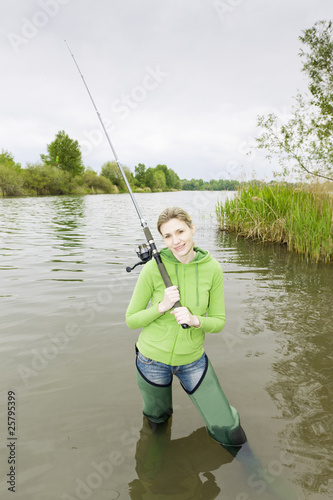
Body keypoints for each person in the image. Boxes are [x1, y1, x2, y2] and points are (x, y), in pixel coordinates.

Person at [126, 207, 246, 447]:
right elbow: (131, 320)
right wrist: (161, 306)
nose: (176, 241)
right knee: (156, 423)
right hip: (151, 360)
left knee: (228, 429)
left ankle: (250, 470)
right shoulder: (153, 268)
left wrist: (195, 320)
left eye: (180, 231)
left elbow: (219, 322)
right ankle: (155, 475)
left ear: (192, 229)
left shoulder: (213, 269)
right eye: (167, 236)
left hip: (192, 360)